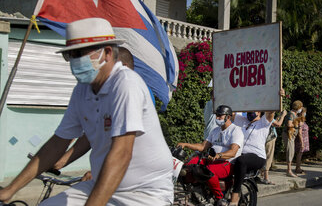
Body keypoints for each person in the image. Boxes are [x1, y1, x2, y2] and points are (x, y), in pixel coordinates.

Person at [0, 18, 174, 205]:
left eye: (79, 54)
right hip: (100, 183)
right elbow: (58, 142)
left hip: (144, 193)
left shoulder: (126, 84)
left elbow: (122, 153)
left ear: (107, 53)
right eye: (70, 56)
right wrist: (10, 190)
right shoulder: (81, 90)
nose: (74, 61)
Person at [52, 47, 142, 182]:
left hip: (132, 176)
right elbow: (91, 132)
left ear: (123, 67)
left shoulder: (131, 91)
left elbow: (123, 149)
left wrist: (99, 172)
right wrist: (59, 162)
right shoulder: (95, 92)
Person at [177, 105, 243, 206]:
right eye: (217, 115)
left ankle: (219, 198)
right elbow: (203, 146)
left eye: (220, 116)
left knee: (208, 171)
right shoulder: (215, 130)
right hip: (212, 160)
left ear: (228, 117)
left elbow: (233, 152)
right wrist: (185, 145)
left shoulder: (236, 130)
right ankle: (196, 192)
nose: (217, 118)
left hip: (227, 163)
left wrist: (219, 155)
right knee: (188, 165)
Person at [230, 95, 281, 205]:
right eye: (248, 110)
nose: (250, 112)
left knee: (241, 161)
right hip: (240, 154)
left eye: (253, 110)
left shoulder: (263, 123)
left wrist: (276, 96)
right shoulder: (242, 120)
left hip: (257, 157)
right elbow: (230, 111)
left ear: (259, 112)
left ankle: (235, 194)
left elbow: (270, 112)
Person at [261, 109, 287, 185]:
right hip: (269, 139)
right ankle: (266, 177)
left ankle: (261, 174)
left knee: (263, 156)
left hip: (264, 139)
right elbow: (278, 124)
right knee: (268, 157)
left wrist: (279, 116)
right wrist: (283, 116)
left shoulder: (262, 116)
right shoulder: (267, 117)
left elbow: (274, 121)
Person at [283, 100, 303, 177]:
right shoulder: (291, 114)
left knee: (291, 152)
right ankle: (289, 171)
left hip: (292, 136)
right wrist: (297, 124)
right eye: (300, 107)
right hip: (289, 135)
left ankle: (289, 170)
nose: (301, 109)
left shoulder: (294, 114)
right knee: (290, 152)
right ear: (298, 107)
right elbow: (289, 124)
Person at [294, 107, 309, 174]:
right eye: (304, 112)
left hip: (304, 139)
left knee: (300, 154)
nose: (305, 113)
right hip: (301, 140)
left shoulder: (303, 120)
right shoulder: (300, 121)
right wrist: (302, 142)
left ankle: (298, 167)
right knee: (299, 154)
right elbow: (299, 133)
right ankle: (297, 168)